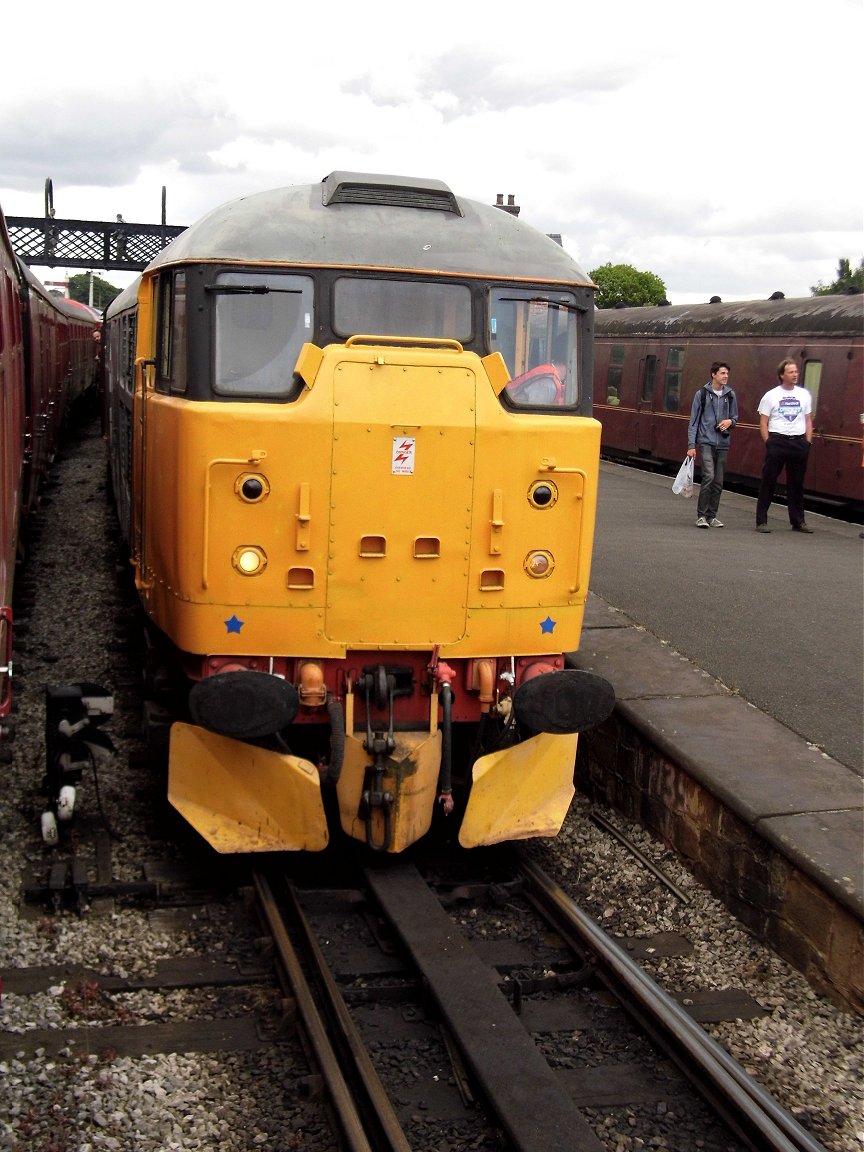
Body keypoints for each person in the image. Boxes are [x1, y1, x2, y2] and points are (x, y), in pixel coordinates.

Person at [755, 358, 813, 533]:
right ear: (782, 375)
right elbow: (763, 422)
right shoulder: (771, 395)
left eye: (796, 371)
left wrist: (807, 442)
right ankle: (761, 521)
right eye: (791, 372)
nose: (795, 374)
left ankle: (798, 521)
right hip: (778, 441)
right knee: (769, 481)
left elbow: (808, 420)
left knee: (796, 484)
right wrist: (769, 443)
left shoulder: (804, 395)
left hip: (798, 442)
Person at [687, 361, 738, 528]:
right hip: (706, 441)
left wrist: (729, 421)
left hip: (723, 443)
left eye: (727, 374)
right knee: (709, 476)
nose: (726, 377)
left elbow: (735, 418)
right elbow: (694, 421)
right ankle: (701, 515)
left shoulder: (731, 395)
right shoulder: (701, 394)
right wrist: (691, 445)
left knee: (719, 481)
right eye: (723, 373)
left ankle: (712, 516)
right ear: (713, 374)